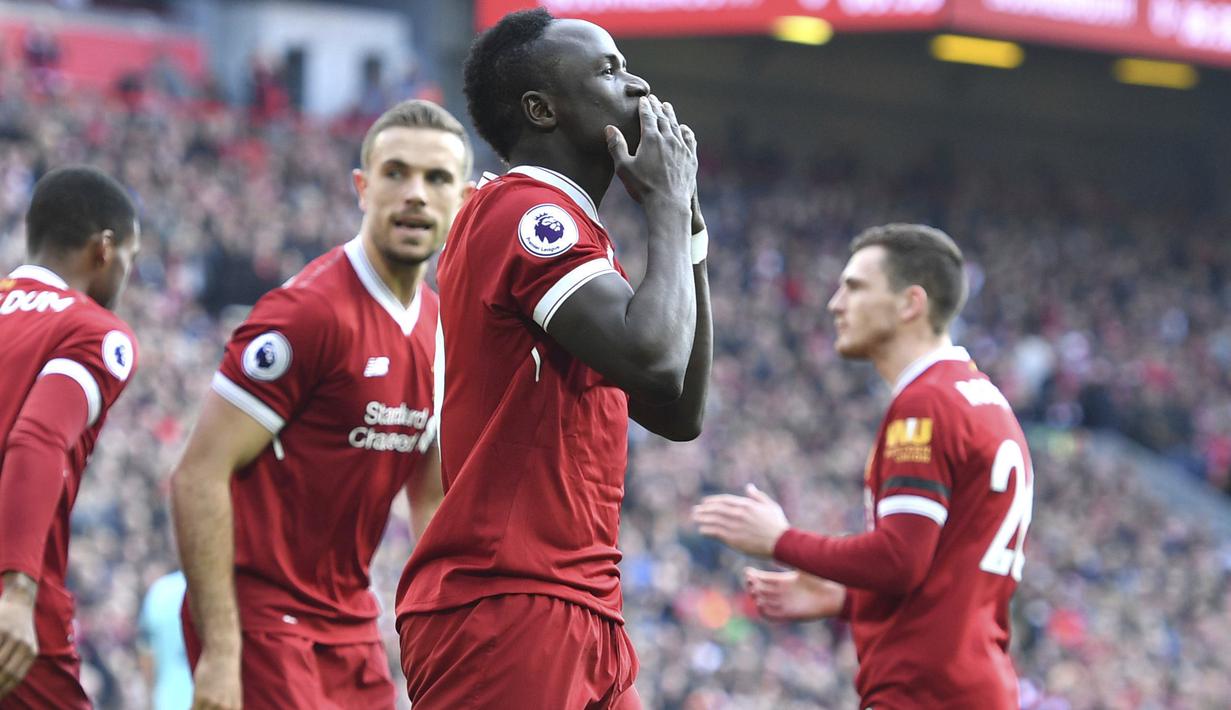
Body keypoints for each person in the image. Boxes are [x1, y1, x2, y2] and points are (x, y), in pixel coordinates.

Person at [395, 9, 712, 709]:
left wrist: (685, 233)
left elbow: (679, 407)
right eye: (607, 70)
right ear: (541, 109)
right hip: (506, 603)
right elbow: (655, 359)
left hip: (579, 602)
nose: (636, 85)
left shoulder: (576, 239)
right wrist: (662, 209)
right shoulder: (524, 212)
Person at [170, 99, 472, 710]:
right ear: (362, 187)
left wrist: (452, 633)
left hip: (350, 623)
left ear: (461, 201)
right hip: (262, 619)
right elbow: (197, 476)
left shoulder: (444, 331)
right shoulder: (307, 313)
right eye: (396, 173)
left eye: (436, 179)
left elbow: (431, 499)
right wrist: (222, 653)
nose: (415, 194)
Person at [694, 224, 1030, 709]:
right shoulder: (984, 401)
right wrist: (848, 601)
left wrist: (780, 540)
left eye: (854, 287)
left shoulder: (926, 403)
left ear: (910, 303)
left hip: (923, 691)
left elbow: (900, 560)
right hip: (971, 683)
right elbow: (942, 575)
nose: (835, 303)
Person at [0, 166, 142, 708]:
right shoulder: (93, 331)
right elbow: (36, 438)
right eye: (130, 258)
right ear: (104, 249)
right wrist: (18, 591)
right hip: (15, 590)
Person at [138, 570, 192, 710]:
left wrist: (149, 697)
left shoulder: (160, 590)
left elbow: (146, 653)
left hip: (167, 700)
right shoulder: (226, 586)